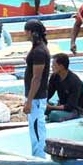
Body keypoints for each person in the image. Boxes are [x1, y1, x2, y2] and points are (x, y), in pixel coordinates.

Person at [23, 20, 50, 157]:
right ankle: (37, 154)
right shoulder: (38, 48)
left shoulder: (39, 52)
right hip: (35, 97)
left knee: (37, 127)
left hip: (37, 98)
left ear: (33, 32)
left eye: (27, 31)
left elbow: (37, 78)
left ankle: (39, 156)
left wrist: (29, 100)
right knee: (34, 128)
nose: (25, 33)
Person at [46, 53, 83, 122]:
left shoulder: (75, 82)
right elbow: (49, 93)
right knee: (38, 108)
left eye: (54, 65)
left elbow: (70, 106)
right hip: (62, 105)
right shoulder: (54, 77)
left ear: (61, 66)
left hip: (74, 110)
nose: (52, 67)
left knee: (53, 115)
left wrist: (51, 107)